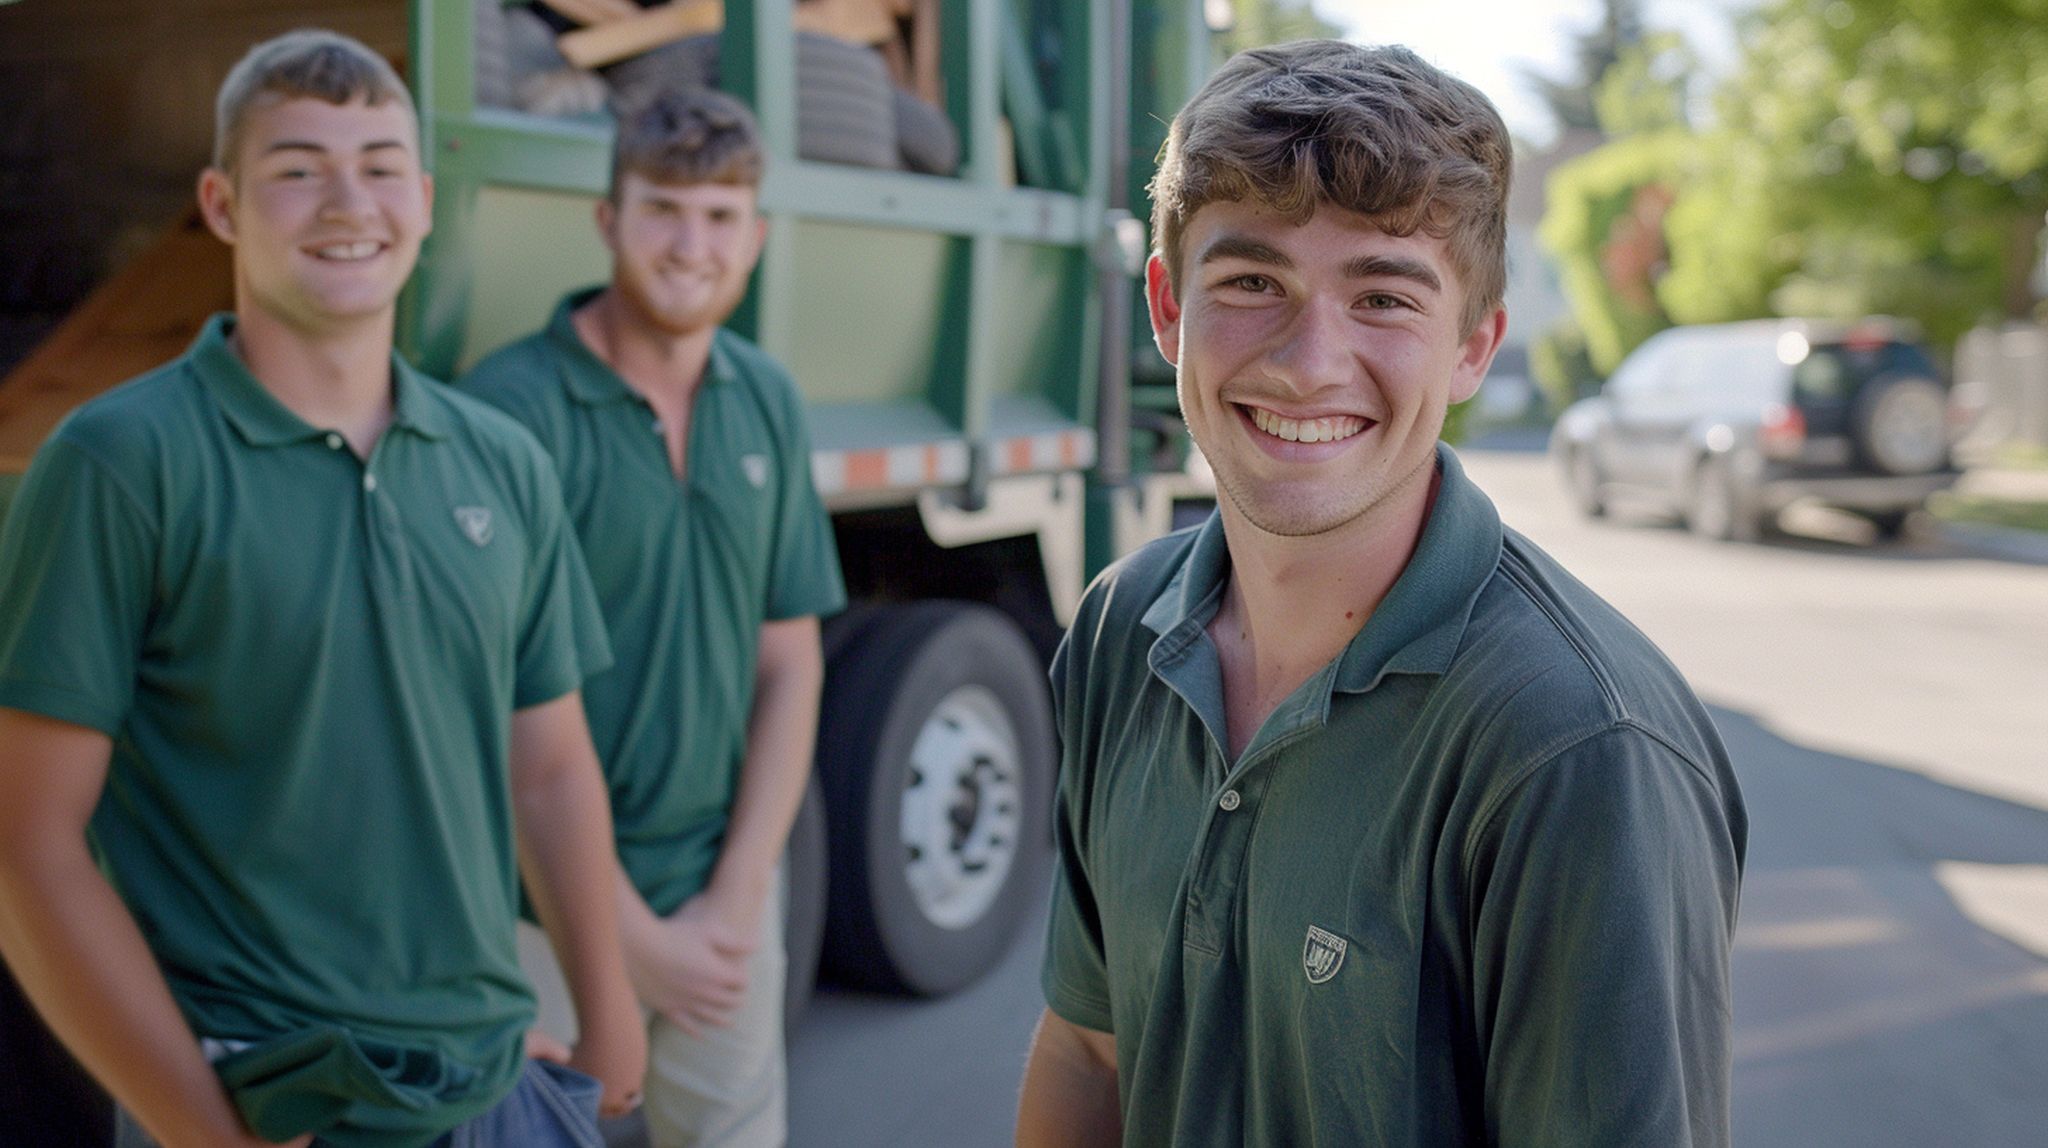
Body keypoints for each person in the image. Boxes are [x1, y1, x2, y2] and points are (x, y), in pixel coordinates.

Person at [1015, 40, 1747, 1147]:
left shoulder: (1576, 747)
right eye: (1251, 281)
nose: (1310, 360)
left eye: (1382, 296)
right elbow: (1086, 1045)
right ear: (1166, 308)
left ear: (1472, 347)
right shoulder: (1122, 629)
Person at [0, 30, 647, 1147]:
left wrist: (610, 1006)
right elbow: (27, 848)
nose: (349, 200)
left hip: (489, 1087)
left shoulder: (503, 462)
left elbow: (545, 763)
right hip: (257, 1097)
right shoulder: (119, 461)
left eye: (381, 165)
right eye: (297, 168)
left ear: (427, 199)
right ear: (219, 203)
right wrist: (200, 1127)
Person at [460, 85, 844, 1147]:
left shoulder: (765, 396)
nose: (691, 244)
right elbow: (478, 703)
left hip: (720, 898)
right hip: (531, 910)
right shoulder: (508, 411)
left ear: (754, 236)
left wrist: (732, 900)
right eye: (663, 209)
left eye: (719, 216)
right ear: (607, 220)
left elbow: (788, 664)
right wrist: (624, 935)